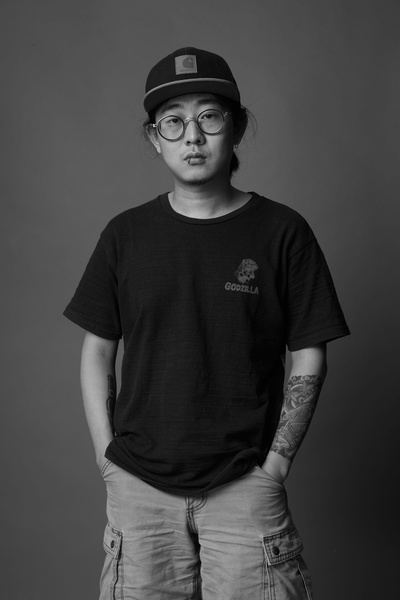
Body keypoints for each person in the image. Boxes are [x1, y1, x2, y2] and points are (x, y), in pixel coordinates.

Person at [64, 47, 350, 600]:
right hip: (139, 486)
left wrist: (277, 464)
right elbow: (97, 348)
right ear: (154, 138)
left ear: (236, 128)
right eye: (173, 121)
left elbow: (309, 350)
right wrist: (106, 459)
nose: (192, 136)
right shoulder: (124, 236)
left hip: (245, 483)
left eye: (209, 117)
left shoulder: (283, 232)